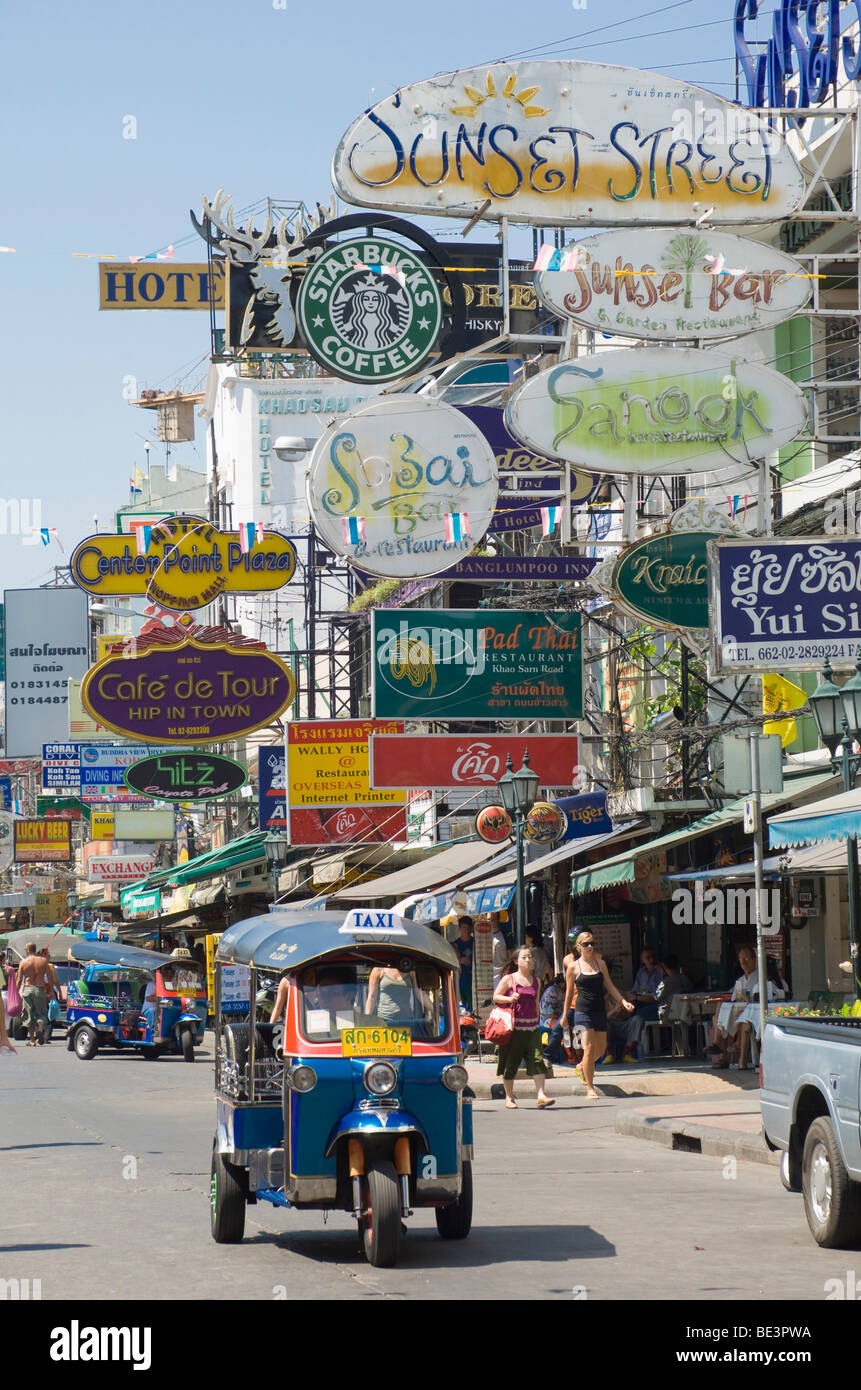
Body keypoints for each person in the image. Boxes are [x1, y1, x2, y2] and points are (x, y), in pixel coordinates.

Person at [561, 930, 634, 1098]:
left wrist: (622, 1002)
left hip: (599, 1011)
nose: (590, 947)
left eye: (592, 943)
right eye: (586, 944)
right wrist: (565, 1016)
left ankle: (582, 1067)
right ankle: (590, 1088)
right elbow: (568, 994)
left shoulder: (600, 964)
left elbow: (609, 985)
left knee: (600, 1050)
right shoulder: (573, 968)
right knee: (589, 1048)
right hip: (582, 1012)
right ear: (579, 947)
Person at [493, 947, 555, 1109]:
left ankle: (541, 1095)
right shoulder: (509, 979)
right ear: (516, 961)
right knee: (510, 1063)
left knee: (537, 1059)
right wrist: (509, 998)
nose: (529, 960)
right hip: (513, 1029)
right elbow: (496, 997)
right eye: (525, 957)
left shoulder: (537, 981)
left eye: (530, 957)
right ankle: (509, 1097)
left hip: (532, 1028)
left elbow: (536, 1004)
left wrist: (539, 1022)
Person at [710, 944, 759, 1068]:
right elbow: (732, 996)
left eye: (746, 959)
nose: (743, 962)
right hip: (738, 1010)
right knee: (719, 1015)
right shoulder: (741, 980)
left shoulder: (759, 978)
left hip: (751, 1012)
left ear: (754, 960)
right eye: (741, 959)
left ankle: (722, 1055)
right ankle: (719, 1050)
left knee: (731, 1018)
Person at [734, 956, 788, 1069]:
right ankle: (741, 1055)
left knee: (745, 1023)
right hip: (779, 1017)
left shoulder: (760, 986)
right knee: (745, 1023)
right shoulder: (781, 983)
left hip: (765, 1018)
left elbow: (753, 1001)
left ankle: (741, 1060)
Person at [15, 943, 56, 1047]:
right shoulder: (43, 961)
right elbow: (50, 977)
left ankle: (32, 1040)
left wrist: (15, 993)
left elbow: (19, 980)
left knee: (29, 1015)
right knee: (41, 1013)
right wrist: (51, 990)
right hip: (40, 989)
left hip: (28, 989)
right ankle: (41, 1030)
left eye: (25, 949)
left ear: (28, 950)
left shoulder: (23, 962)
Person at [539, 973, 567, 1067]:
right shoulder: (553, 991)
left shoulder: (561, 991)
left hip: (557, 1016)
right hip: (546, 1019)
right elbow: (548, 1012)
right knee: (562, 1027)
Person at [453, 916, 474, 1009]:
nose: (466, 930)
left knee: (473, 1007)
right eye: (464, 927)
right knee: (461, 1008)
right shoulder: (454, 944)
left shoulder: (476, 942)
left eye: (468, 928)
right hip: (459, 981)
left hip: (473, 981)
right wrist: (460, 960)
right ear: (459, 928)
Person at [491, 916, 509, 991]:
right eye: (489, 920)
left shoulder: (505, 935)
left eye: (493, 919)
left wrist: (507, 971)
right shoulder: (483, 935)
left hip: (500, 973)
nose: (491, 922)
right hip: (487, 973)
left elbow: (510, 954)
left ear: (498, 919)